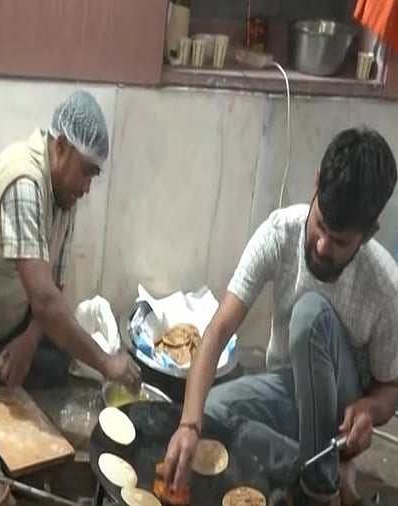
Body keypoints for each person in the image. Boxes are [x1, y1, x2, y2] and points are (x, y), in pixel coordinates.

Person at [0, 90, 142, 506]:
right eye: (87, 172)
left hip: (8, 320)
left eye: (94, 175)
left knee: (58, 353)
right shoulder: (24, 180)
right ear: (60, 147)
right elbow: (45, 300)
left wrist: (31, 339)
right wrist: (108, 363)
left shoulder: (64, 197)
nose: (89, 186)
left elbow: (51, 289)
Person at [162, 128, 398, 506]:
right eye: (320, 224)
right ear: (317, 182)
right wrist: (188, 426)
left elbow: (390, 391)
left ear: (368, 233)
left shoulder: (385, 286)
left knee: (310, 314)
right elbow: (218, 330)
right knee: (208, 411)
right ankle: (314, 467)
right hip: (287, 391)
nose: (322, 247)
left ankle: (320, 490)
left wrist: (370, 410)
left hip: (338, 413)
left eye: (340, 242)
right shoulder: (280, 233)